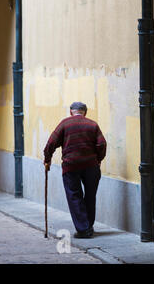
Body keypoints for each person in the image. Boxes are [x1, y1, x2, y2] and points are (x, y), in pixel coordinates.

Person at [44, 102, 107, 238]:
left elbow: (51, 142)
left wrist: (47, 158)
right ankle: (88, 226)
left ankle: (84, 229)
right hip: (91, 165)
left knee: (74, 195)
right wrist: (98, 160)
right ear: (85, 112)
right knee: (90, 196)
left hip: (71, 166)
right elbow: (102, 144)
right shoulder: (93, 125)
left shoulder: (65, 124)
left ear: (71, 111)